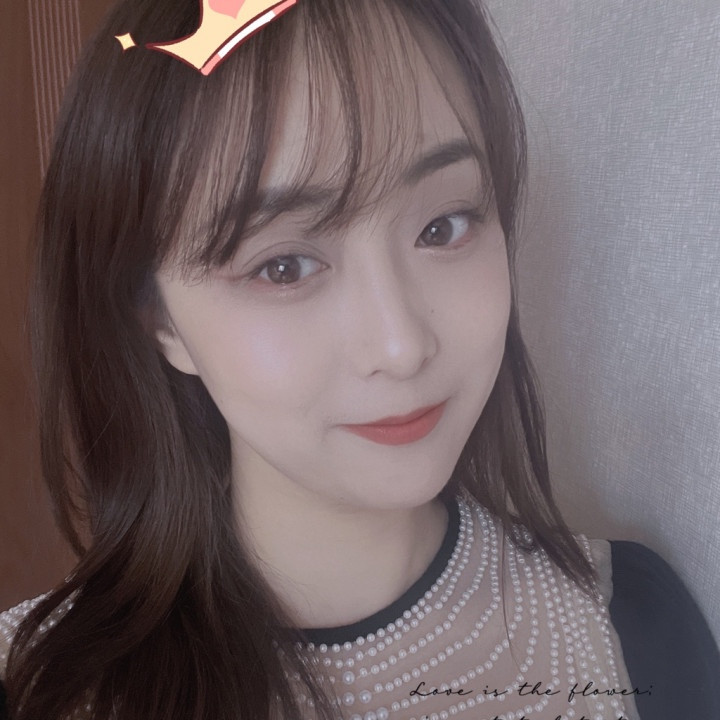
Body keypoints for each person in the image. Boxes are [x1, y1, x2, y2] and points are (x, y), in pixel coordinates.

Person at [0, 0, 718, 718]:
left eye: (444, 226)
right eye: (283, 267)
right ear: (161, 322)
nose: (401, 347)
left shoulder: (628, 631)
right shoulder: (36, 689)